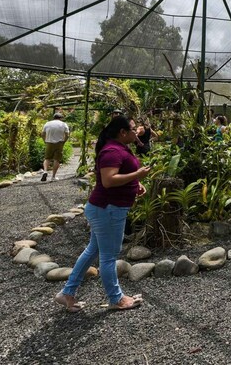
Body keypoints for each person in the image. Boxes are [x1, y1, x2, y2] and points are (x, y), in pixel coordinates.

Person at [54, 116, 150, 312]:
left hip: (106, 208)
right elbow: (108, 180)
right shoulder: (112, 151)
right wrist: (137, 176)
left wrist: (135, 184)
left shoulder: (119, 148)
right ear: (122, 132)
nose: (136, 132)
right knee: (109, 256)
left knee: (93, 251)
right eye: (132, 129)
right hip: (108, 209)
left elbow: (118, 175)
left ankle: (67, 293)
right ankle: (116, 298)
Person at [41, 112, 70, 182]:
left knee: (47, 158)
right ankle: (53, 176)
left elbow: (42, 134)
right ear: (61, 118)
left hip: (49, 142)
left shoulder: (47, 123)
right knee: (56, 159)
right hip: (59, 143)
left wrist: (45, 140)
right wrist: (64, 141)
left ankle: (45, 171)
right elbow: (67, 134)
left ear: (54, 117)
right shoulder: (63, 124)